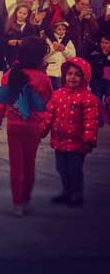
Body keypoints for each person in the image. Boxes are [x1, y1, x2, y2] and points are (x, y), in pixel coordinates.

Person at [0, 37, 53, 217]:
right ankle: (26, 200)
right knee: (29, 164)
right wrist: (46, 124)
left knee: (16, 166)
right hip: (33, 126)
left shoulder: (11, 74)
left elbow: (4, 98)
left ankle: (16, 203)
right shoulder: (43, 79)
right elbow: (48, 102)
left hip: (14, 125)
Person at [43, 57, 99, 208]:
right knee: (61, 167)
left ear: (85, 77)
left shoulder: (88, 98)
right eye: (69, 74)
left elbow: (91, 121)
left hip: (77, 143)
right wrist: (41, 130)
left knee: (74, 169)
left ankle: (77, 194)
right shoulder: (57, 94)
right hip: (59, 141)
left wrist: (89, 140)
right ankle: (66, 192)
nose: (72, 77)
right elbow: (49, 115)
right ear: (64, 75)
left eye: (77, 75)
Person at [45, 22, 76, 90]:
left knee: (60, 90)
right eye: (59, 29)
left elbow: (72, 55)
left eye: (63, 29)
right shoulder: (48, 40)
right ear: (55, 29)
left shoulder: (68, 41)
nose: (61, 31)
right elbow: (44, 54)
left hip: (62, 71)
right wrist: (53, 48)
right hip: (50, 71)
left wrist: (64, 50)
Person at [87, 33, 110, 125]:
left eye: (107, 43)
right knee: (97, 99)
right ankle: (97, 119)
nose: (104, 45)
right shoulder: (95, 53)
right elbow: (93, 66)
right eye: (102, 42)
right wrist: (103, 56)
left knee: (108, 98)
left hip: (108, 81)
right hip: (97, 80)